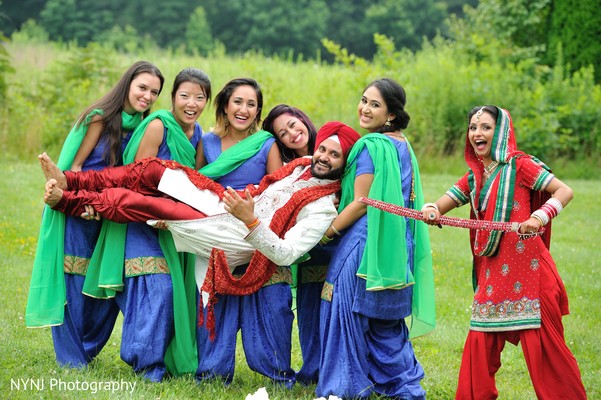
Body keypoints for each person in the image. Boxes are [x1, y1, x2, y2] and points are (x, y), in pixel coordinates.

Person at [421, 105, 587, 400]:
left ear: (501, 132)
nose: (477, 133)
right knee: (478, 352)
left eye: (485, 127)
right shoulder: (474, 177)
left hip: (531, 275)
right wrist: (431, 210)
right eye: (473, 127)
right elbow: (441, 203)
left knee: (549, 357)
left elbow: (564, 191)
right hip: (492, 276)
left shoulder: (520, 166)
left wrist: (538, 217)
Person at [25, 61, 164, 370]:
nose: (147, 96)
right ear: (127, 84)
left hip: (113, 213)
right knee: (74, 282)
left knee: (105, 286)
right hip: (82, 210)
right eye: (142, 87)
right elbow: (75, 168)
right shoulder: (100, 117)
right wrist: (81, 203)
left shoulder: (145, 125)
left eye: (154, 92)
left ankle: (87, 347)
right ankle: (71, 358)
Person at [83, 67, 212, 381]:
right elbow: (136, 180)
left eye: (200, 97)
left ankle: (164, 360)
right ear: (173, 98)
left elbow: (196, 184)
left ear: (207, 101)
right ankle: (146, 363)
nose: (191, 103)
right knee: (158, 287)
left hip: (174, 226)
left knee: (179, 293)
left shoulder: (200, 136)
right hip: (140, 220)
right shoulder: (158, 126)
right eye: (185, 95)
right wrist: (160, 211)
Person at [316, 78, 436, 399]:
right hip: (395, 246)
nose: (365, 109)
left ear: (391, 115)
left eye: (375, 105)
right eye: (364, 100)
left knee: (343, 309)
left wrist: (325, 233)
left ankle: (344, 386)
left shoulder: (370, 146)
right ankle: (404, 386)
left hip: (363, 242)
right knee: (384, 321)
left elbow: (360, 202)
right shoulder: (403, 145)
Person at [262, 103, 324, 384]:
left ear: (303, 119)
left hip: (336, 237)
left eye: (293, 124)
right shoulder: (289, 170)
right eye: (283, 133)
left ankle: (332, 366)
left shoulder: (332, 148)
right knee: (310, 309)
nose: (292, 133)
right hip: (306, 245)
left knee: (334, 307)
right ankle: (312, 371)